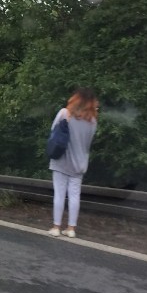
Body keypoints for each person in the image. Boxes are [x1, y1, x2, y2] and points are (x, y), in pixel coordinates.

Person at [48, 87, 99, 238]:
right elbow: (88, 142)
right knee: (75, 195)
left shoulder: (65, 113)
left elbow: (53, 131)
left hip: (62, 161)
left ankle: (56, 227)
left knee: (59, 193)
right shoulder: (93, 121)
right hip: (80, 163)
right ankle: (71, 229)